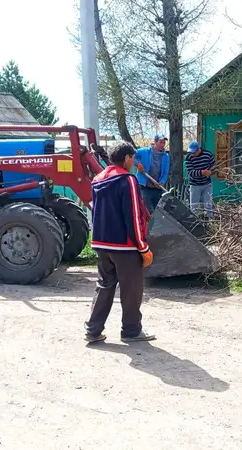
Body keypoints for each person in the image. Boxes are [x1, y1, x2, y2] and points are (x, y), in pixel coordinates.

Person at [85, 141, 156, 344]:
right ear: (126, 158)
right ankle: (131, 330)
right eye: (133, 159)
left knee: (104, 286)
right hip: (125, 247)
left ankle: (93, 329)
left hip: (101, 243)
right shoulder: (128, 180)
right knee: (131, 289)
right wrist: (143, 247)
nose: (134, 163)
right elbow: (133, 216)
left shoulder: (98, 179)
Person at [135, 134, 170, 213]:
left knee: (158, 212)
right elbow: (131, 155)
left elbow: (165, 172)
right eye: (160, 142)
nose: (162, 144)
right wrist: (137, 164)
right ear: (155, 142)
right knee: (146, 211)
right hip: (144, 187)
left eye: (164, 143)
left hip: (157, 188)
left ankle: (155, 225)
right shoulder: (144, 151)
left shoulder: (165, 156)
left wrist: (162, 182)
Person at [185, 141, 215, 219]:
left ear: (198, 149)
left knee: (208, 206)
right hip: (194, 185)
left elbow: (214, 168)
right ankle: (195, 223)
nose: (192, 154)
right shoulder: (188, 158)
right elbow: (191, 173)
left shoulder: (208, 155)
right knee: (194, 207)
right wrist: (203, 172)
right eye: (190, 152)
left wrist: (211, 172)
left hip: (207, 184)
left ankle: (210, 222)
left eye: (193, 152)